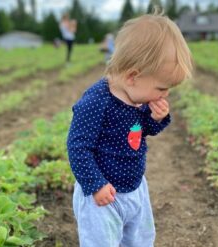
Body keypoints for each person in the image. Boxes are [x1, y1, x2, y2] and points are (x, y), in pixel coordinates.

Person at [66, 10, 193, 247]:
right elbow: (78, 147)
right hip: (102, 196)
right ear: (133, 76)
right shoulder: (95, 103)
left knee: (140, 240)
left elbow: (142, 130)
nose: (165, 95)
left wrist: (156, 118)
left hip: (134, 188)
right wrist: (95, 184)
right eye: (162, 88)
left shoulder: (137, 97)